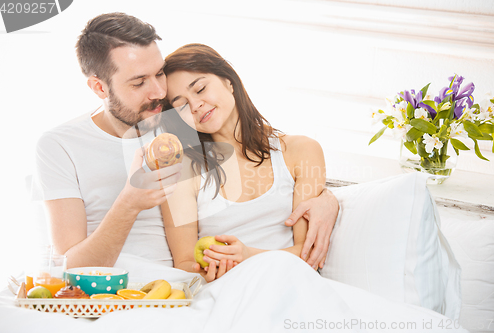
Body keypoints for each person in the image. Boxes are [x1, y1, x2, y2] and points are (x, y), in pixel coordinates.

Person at [32, 12, 339, 271]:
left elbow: (265, 168)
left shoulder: (177, 124)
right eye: (139, 82)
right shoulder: (60, 146)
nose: (157, 92)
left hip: (179, 293)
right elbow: (69, 269)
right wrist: (128, 203)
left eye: (159, 74)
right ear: (99, 86)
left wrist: (329, 198)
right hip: (116, 289)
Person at [160, 43, 328, 282]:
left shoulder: (301, 151)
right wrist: (211, 269)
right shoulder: (181, 173)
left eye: (200, 89)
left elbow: (309, 255)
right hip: (222, 293)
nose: (195, 106)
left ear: (229, 80)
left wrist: (247, 256)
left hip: (289, 285)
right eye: (182, 106)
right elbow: (185, 264)